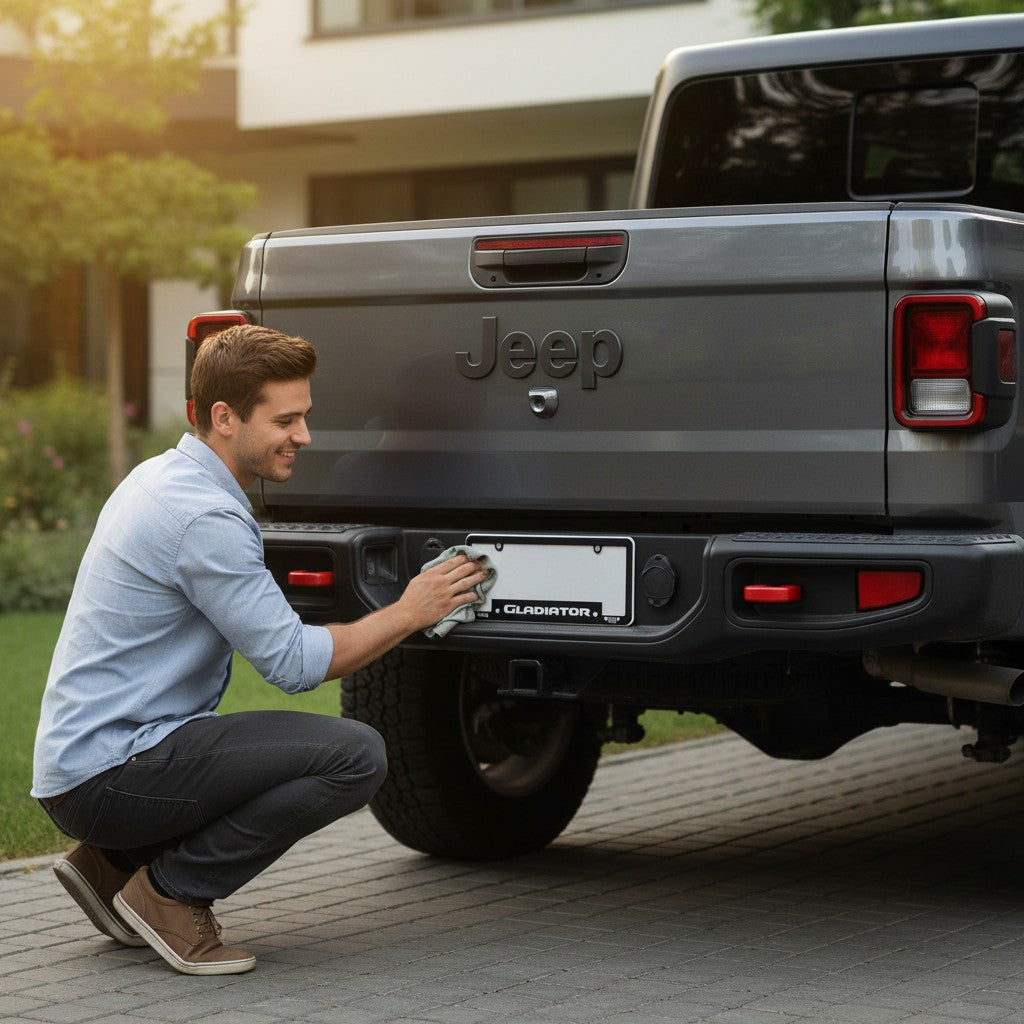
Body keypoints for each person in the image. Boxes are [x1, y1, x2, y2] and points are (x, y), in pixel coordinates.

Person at [31, 323, 489, 977]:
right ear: (225, 417)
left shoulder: (161, 478)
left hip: (87, 762)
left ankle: (112, 864)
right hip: (109, 774)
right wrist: (411, 612)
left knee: (249, 749)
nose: (303, 435)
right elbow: (294, 666)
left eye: (303, 416)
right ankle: (170, 894)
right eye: (287, 419)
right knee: (355, 756)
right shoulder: (203, 519)